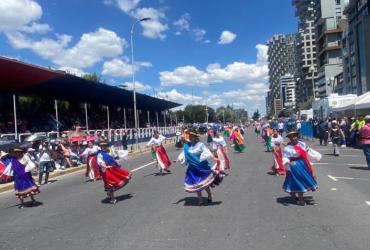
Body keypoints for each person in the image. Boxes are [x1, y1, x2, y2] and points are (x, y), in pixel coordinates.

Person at [175, 129, 222, 206]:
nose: (189, 137)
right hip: (192, 168)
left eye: (191, 136)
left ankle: (209, 195)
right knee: (197, 184)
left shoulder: (200, 144)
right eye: (189, 136)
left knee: (204, 184)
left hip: (201, 167)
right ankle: (200, 200)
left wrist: (214, 158)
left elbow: (207, 151)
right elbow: (184, 153)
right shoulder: (187, 145)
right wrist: (178, 159)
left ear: (195, 137)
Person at [282, 131, 318, 206]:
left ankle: (295, 197)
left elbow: (307, 151)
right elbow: (285, 157)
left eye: (295, 136)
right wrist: (289, 163)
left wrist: (315, 157)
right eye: (291, 137)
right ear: (289, 138)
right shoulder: (288, 148)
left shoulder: (302, 144)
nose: (294, 138)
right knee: (298, 181)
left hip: (303, 164)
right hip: (295, 166)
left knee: (301, 180)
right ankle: (300, 200)